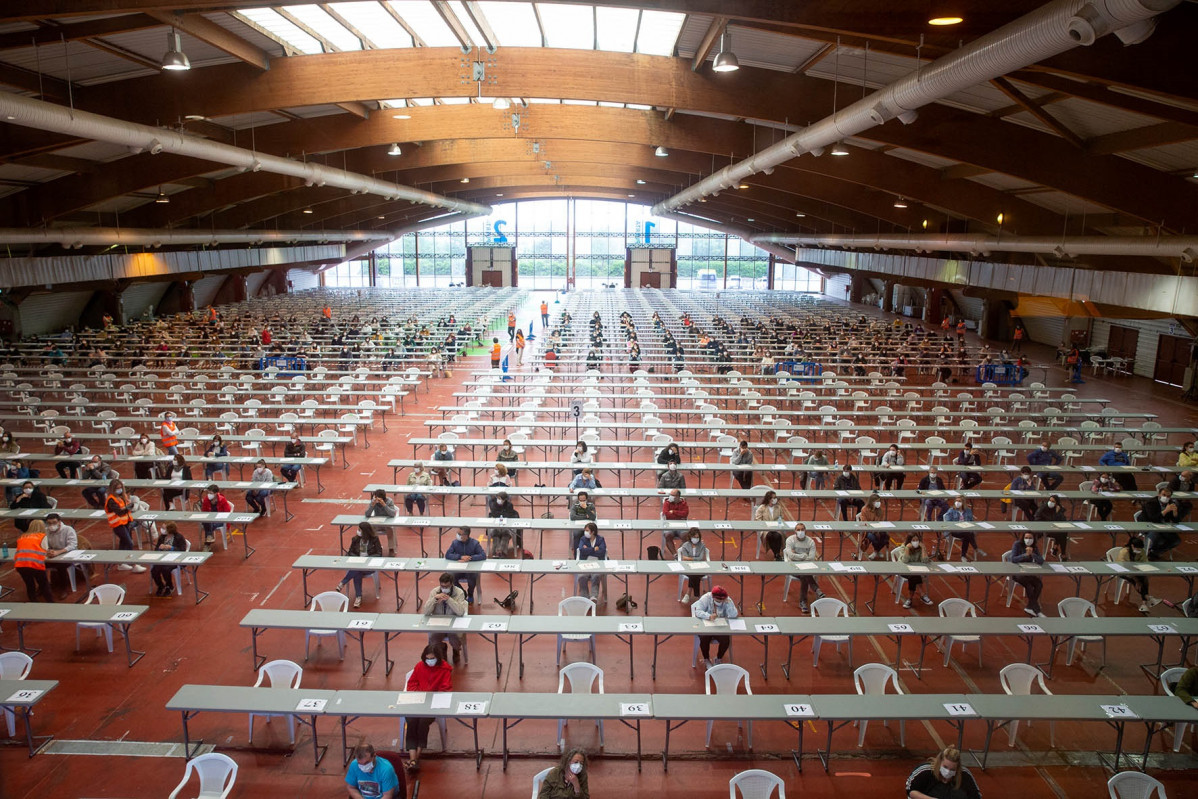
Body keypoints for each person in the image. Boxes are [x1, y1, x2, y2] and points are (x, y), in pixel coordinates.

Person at [905, 746, 981, 799]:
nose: (948, 772)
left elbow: (976, 796)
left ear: (957, 768)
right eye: (945, 767)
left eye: (952, 769)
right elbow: (911, 791)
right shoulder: (925, 771)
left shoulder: (965, 775)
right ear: (939, 762)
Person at [421, 572, 468, 658]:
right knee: (433, 639)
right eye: (442, 586)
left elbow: (461, 612)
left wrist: (449, 600)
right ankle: (442, 649)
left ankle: (456, 650)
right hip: (438, 623)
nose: (444, 589)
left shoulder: (459, 592)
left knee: (456, 639)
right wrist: (434, 599)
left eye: (446, 587)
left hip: (454, 623)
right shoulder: (434, 592)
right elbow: (426, 612)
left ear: (451, 584)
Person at [337, 522, 383, 608]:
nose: (358, 531)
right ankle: (358, 597)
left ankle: (343, 582)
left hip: (369, 565)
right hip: (357, 564)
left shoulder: (374, 539)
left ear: (365, 531)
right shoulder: (355, 539)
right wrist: (357, 559)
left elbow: (379, 553)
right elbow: (350, 552)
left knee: (355, 570)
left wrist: (367, 559)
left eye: (359, 530)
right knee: (357, 572)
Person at [692, 585, 737, 668]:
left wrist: (729, 604)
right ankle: (706, 659)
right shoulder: (706, 598)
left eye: (721, 600)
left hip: (720, 626)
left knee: (726, 640)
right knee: (704, 638)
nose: (719, 602)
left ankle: (719, 658)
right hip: (706, 624)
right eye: (717, 600)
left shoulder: (727, 600)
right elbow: (697, 611)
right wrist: (708, 616)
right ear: (713, 597)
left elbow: (733, 615)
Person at [105, 478, 145, 571]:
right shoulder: (111, 500)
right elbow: (119, 512)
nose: (120, 490)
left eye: (120, 488)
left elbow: (127, 507)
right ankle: (133, 564)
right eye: (117, 488)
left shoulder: (122, 496)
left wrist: (128, 507)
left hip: (126, 522)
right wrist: (128, 508)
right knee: (129, 542)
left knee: (123, 543)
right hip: (118, 525)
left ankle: (121, 563)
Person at [1115, 534, 1162, 613]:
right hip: (1122, 571)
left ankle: (1144, 603)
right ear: (1132, 546)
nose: (1139, 550)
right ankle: (1147, 598)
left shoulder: (1141, 551)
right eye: (1137, 548)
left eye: (1140, 549)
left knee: (1144, 578)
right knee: (1137, 582)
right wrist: (1136, 580)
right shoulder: (1124, 552)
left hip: (1135, 571)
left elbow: (1145, 563)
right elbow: (1125, 569)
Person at [783, 523, 824, 613]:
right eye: (798, 530)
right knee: (805, 575)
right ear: (795, 531)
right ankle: (816, 589)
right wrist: (804, 555)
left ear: (805, 530)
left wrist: (797, 555)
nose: (800, 531)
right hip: (792, 567)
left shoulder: (810, 542)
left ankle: (803, 602)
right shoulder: (790, 540)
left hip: (807, 567)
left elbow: (812, 557)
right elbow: (790, 555)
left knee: (804, 576)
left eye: (802, 529)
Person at [14, 519, 53, 603]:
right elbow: (46, 551)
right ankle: (51, 603)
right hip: (35, 564)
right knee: (44, 584)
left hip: (20, 565)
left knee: (29, 584)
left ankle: (33, 601)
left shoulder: (22, 536)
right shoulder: (42, 536)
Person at [1009, 531, 1046, 616]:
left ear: (1033, 539)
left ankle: (1029, 607)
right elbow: (1013, 559)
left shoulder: (1034, 547)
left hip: (1028, 572)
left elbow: (1041, 561)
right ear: (1023, 538)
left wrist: (1032, 554)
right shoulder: (1017, 544)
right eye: (1026, 538)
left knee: (1039, 584)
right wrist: (1025, 555)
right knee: (1028, 585)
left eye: (1030, 538)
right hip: (1017, 573)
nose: (1028, 540)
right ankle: (1037, 610)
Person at [445, 527, 486, 604]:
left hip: (470, 569)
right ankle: (462, 593)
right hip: (458, 569)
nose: (458, 535)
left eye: (460, 534)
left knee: (472, 577)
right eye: (458, 533)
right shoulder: (455, 543)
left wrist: (470, 558)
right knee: (450, 576)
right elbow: (448, 555)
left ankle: (470, 594)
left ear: (466, 535)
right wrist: (459, 557)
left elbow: (483, 555)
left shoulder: (475, 543)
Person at [1140, 488, 1182, 559]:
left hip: (1163, 527)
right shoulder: (1151, 503)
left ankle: (1155, 552)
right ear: (1159, 494)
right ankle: (1150, 552)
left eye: (1168, 496)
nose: (1166, 497)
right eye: (1164, 495)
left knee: (1176, 540)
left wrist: (1175, 513)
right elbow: (1153, 519)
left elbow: (1176, 521)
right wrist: (1165, 511)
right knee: (1156, 536)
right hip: (1149, 526)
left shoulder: (1171, 503)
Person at [43, 513, 79, 593]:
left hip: (67, 555)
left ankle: (64, 589)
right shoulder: (46, 531)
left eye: (54, 522)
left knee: (61, 565)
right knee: (39, 564)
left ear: (59, 522)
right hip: (53, 555)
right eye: (49, 523)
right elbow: (44, 543)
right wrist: (48, 551)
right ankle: (43, 586)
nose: (52, 525)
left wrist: (58, 552)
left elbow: (72, 545)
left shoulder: (68, 529)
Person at [150, 522, 188, 597]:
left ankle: (169, 586)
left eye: (164, 528)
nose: (162, 530)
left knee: (165, 569)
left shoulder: (179, 537)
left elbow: (182, 550)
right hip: (162, 559)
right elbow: (156, 549)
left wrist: (172, 548)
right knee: (154, 570)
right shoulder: (162, 537)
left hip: (175, 559)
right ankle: (160, 585)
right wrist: (159, 548)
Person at [896, 533, 934, 608]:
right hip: (903, 570)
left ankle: (910, 599)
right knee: (914, 575)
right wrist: (907, 549)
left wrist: (923, 549)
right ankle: (922, 594)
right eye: (913, 540)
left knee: (914, 575)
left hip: (916, 571)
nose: (915, 542)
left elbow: (925, 561)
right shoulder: (904, 547)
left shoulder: (920, 548)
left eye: (917, 540)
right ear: (909, 541)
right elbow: (905, 561)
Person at [754, 490, 789, 559]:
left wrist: (779, 524)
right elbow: (758, 519)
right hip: (765, 529)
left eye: (775, 497)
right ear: (769, 499)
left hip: (777, 528)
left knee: (777, 536)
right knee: (770, 535)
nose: (775, 499)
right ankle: (777, 554)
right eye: (773, 497)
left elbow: (781, 518)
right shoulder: (762, 507)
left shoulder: (778, 507)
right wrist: (765, 525)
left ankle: (776, 554)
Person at [576, 524, 607, 602]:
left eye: (587, 531)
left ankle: (593, 596)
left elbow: (602, 552)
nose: (585, 532)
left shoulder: (600, 539)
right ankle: (584, 597)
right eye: (585, 530)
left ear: (592, 532)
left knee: (596, 576)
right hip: (585, 563)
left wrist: (588, 550)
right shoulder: (583, 539)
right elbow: (582, 550)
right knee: (582, 577)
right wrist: (594, 549)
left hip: (598, 563)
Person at [486, 491, 523, 557]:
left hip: (506, 527)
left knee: (505, 535)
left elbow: (509, 515)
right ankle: (495, 552)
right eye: (498, 498)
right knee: (495, 535)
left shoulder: (509, 505)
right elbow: (495, 514)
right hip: (496, 526)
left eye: (501, 499)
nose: (499, 500)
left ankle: (502, 552)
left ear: (505, 500)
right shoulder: (493, 504)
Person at [1033, 494, 1069, 560]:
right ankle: (1055, 549)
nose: (1051, 502)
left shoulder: (1059, 509)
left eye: (1053, 501)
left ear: (1057, 503)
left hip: (1054, 529)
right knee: (1061, 533)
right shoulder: (1043, 508)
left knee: (1063, 532)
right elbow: (1036, 518)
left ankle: (1061, 553)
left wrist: (1057, 513)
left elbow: (1063, 520)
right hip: (1043, 529)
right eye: (1050, 500)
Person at [678, 527, 709, 603]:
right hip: (688, 567)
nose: (696, 539)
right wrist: (694, 559)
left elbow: (701, 558)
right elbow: (684, 558)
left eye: (697, 537)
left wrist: (690, 558)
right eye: (694, 537)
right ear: (690, 537)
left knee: (694, 574)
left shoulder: (702, 545)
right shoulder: (685, 546)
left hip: (700, 567)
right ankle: (697, 595)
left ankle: (688, 593)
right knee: (694, 574)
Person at [855, 494, 889, 560]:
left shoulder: (880, 511)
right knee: (872, 537)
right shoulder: (864, 509)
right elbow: (864, 522)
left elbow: (881, 522)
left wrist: (878, 531)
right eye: (877, 501)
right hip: (868, 531)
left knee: (886, 537)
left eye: (879, 501)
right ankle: (877, 550)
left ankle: (876, 551)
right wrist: (873, 531)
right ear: (872, 502)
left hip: (878, 530)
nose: (878, 503)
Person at [199, 483, 232, 549]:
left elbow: (227, 513)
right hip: (209, 519)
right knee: (207, 522)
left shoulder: (222, 500)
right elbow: (204, 512)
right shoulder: (206, 500)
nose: (209, 495)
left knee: (209, 524)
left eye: (211, 493)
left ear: (216, 493)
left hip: (221, 520)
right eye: (208, 493)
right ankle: (209, 537)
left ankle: (207, 544)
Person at [660, 488, 689, 557]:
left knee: (686, 537)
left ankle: (679, 551)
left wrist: (673, 512)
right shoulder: (667, 502)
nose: (670, 496)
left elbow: (685, 514)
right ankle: (675, 555)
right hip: (669, 524)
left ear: (678, 497)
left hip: (681, 524)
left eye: (673, 495)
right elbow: (666, 513)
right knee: (668, 536)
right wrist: (678, 514)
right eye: (670, 495)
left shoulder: (684, 503)